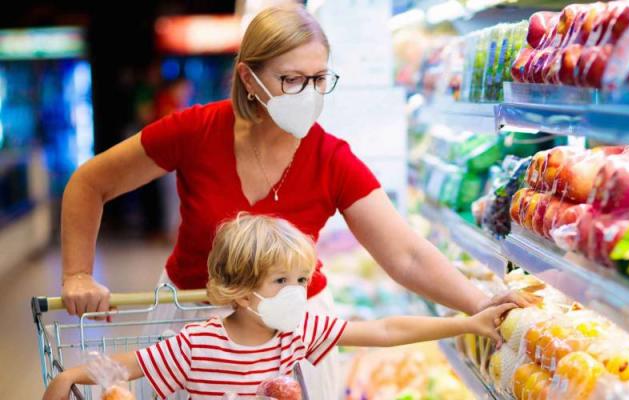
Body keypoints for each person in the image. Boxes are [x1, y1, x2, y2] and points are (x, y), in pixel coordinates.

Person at [58, 4, 532, 398]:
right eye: (291, 80)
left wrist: (482, 302)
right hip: (191, 324)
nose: (309, 93)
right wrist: (78, 272)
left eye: (319, 78)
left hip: (291, 329)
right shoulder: (196, 131)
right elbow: (89, 183)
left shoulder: (331, 158)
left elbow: (405, 254)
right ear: (249, 78)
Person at [44, 214, 515, 400]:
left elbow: (385, 330)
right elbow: (120, 370)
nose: (298, 291)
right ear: (243, 292)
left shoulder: (298, 330)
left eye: (302, 280)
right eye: (282, 281)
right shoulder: (198, 343)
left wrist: (464, 322)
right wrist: (68, 378)